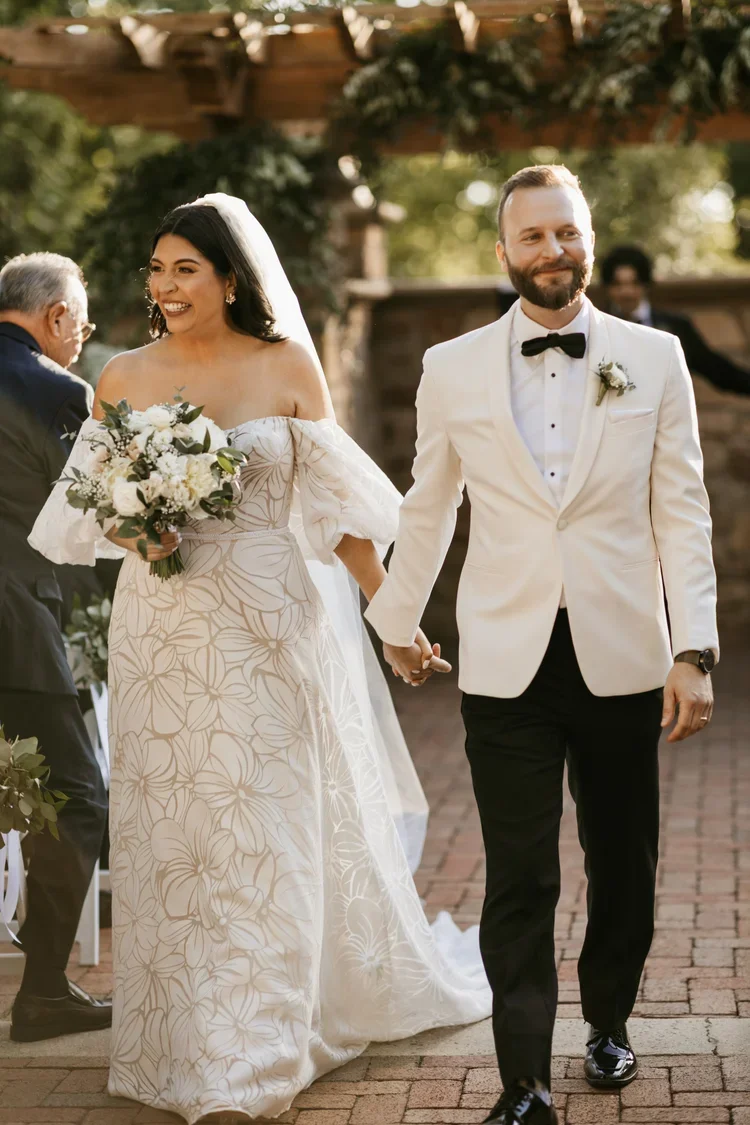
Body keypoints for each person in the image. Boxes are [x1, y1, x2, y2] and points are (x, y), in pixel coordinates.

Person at [30, 194, 492, 1124]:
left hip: (273, 619)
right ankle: (185, 1029)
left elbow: (339, 519)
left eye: (184, 270)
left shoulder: (286, 367)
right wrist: (140, 523)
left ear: (231, 278)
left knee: (267, 823)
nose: (165, 288)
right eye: (155, 273)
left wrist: (392, 620)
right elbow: (88, 512)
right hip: (165, 627)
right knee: (179, 832)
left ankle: (260, 1039)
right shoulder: (121, 376)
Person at [365, 165, 718, 1125]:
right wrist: (396, 622)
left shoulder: (654, 356)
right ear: (504, 252)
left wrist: (696, 649)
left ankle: (609, 1020)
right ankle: (522, 1081)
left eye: (567, 232)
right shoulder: (453, 366)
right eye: (533, 237)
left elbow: (681, 511)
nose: (553, 251)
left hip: (623, 652)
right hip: (505, 659)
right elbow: (428, 507)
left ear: (589, 237)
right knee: (519, 873)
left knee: (624, 863)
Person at [0, 252, 111, 1041]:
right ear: (56, 317)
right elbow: (89, 520)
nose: (84, 334)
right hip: (17, 626)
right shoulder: (55, 389)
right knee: (77, 802)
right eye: (82, 319)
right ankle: (41, 990)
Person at [600, 244, 750, 395]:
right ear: (607, 287)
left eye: (635, 283)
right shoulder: (599, 327)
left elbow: (716, 369)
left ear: (646, 285)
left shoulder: (676, 327)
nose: (627, 292)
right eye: (617, 285)